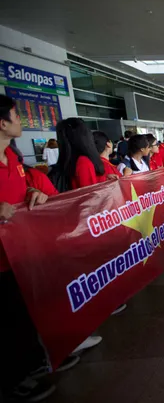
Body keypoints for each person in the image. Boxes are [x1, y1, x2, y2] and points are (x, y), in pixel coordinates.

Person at [0, 95, 63, 402]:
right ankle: (12, 381)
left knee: (22, 315)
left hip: (19, 253)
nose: (21, 122)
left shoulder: (12, 160)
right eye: (16, 116)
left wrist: (33, 191)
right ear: (3, 123)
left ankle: (30, 364)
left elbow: (21, 189)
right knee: (6, 321)